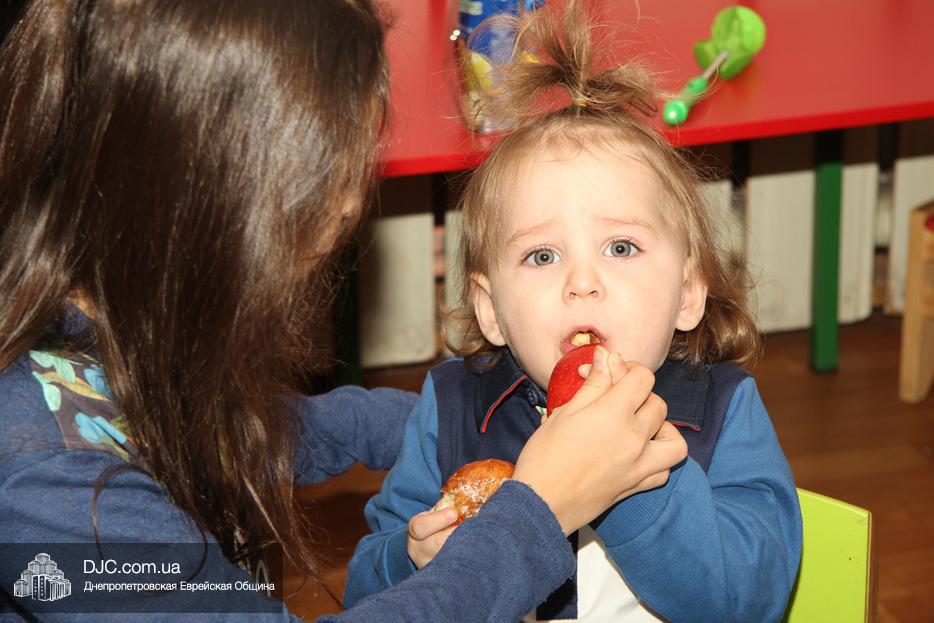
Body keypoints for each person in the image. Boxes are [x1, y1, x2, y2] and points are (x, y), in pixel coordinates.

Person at [0, 0, 689, 621]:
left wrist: (459, 420)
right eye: (324, 190)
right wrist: (539, 511)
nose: (350, 210)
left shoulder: (117, 332)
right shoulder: (56, 490)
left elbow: (256, 430)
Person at [344, 2, 803, 621]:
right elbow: (363, 592)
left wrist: (628, 478)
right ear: (491, 310)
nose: (582, 282)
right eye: (542, 255)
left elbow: (752, 602)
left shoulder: (726, 411)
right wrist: (410, 559)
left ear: (688, 293)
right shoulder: (447, 410)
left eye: (621, 247)